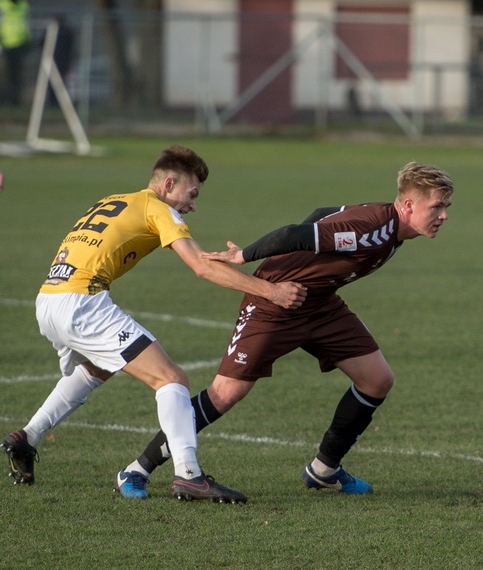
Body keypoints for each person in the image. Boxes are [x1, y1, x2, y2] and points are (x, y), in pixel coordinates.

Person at [114, 161, 453, 498]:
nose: (443, 215)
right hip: (274, 302)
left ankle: (324, 470)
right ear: (408, 205)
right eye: (436, 206)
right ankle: (137, 469)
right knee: (225, 393)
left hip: (319, 303)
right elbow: (294, 234)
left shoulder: (392, 227)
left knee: (377, 379)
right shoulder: (372, 229)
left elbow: (323, 212)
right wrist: (243, 257)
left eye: (445, 207)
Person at [1, 145, 306, 504]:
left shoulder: (116, 199)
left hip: (49, 298)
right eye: (191, 194)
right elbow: (201, 267)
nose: (192, 204)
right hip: (82, 302)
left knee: (98, 368)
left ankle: (28, 437)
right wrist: (270, 291)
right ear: (169, 183)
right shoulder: (158, 208)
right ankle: (189, 475)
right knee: (172, 379)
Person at [0, 0, 31, 107]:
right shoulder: (2, 3)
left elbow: (27, 23)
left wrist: (28, 41)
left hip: (21, 45)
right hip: (4, 45)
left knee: (17, 77)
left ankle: (14, 103)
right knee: (4, 76)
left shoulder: (23, 4)